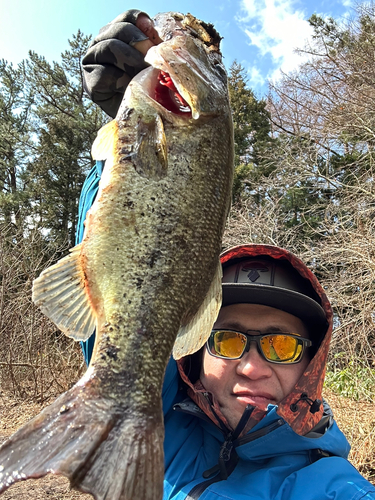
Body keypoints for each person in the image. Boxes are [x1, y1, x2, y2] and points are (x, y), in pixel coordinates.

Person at [79, 10, 375, 499]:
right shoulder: (160, 437)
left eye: (281, 346)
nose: (253, 368)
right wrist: (121, 143)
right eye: (229, 341)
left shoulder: (333, 488)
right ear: (195, 351)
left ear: (311, 366)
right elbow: (123, 284)